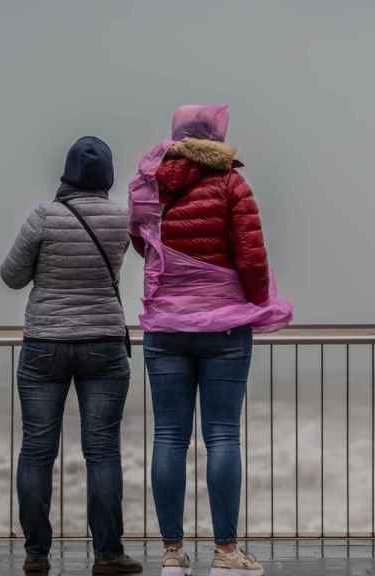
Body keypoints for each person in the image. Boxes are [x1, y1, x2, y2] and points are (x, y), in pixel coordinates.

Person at [128, 106, 292, 576]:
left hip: (166, 326)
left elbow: (143, 244)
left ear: (177, 136)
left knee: (169, 437)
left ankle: (172, 555)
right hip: (223, 328)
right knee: (221, 435)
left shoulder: (153, 182)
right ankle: (224, 553)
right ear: (219, 137)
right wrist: (256, 302)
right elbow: (252, 256)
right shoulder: (231, 184)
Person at [1, 136, 142, 575]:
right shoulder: (121, 220)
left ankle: (36, 554)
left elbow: (11, 276)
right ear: (107, 177)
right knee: (102, 452)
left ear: (67, 172)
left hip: (45, 341)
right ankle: (107, 554)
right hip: (102, 341)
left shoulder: (44, 216)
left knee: (38, 450)